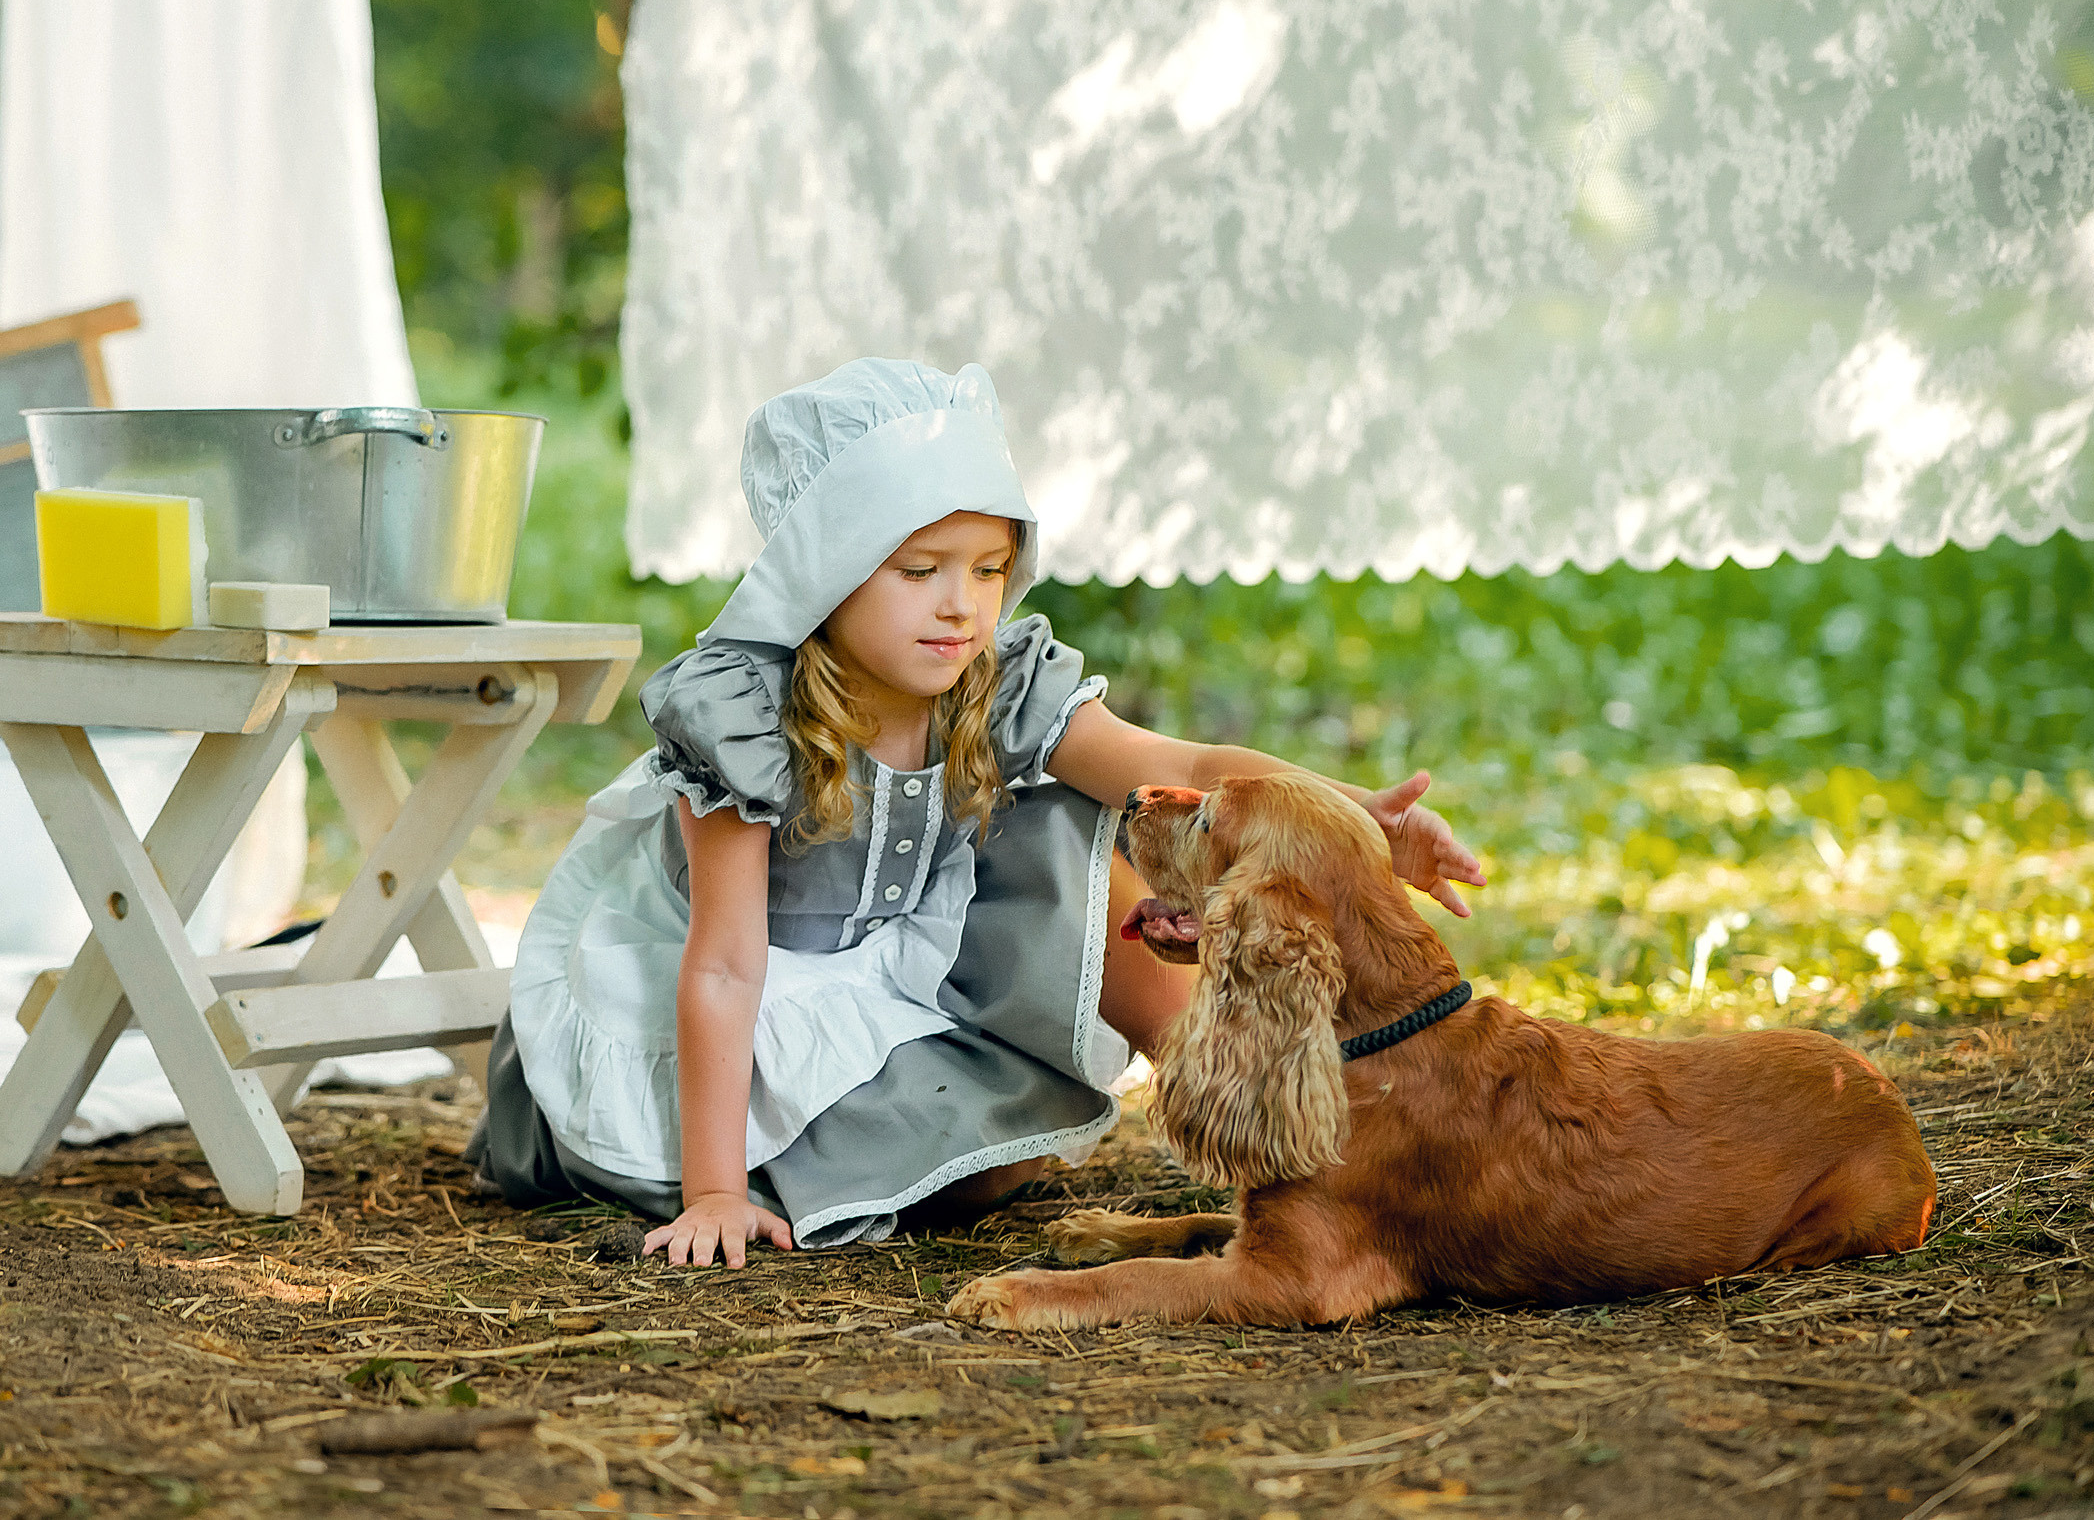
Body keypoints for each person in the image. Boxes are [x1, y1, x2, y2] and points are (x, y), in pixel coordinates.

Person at [467, 359, 1484, 1267]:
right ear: (822, 574)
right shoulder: (745, 717)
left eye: (988, 569)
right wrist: (714, 1194)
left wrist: (1360, 816)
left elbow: (1179, 766)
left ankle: (1244, 1112)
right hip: (751, 997)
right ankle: (781, 1167)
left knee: (1066, 813)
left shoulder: (993, 685)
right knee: (953, 1179)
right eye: (920, 571)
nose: (961, 605)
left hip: (903, 960)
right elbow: (726, 964)